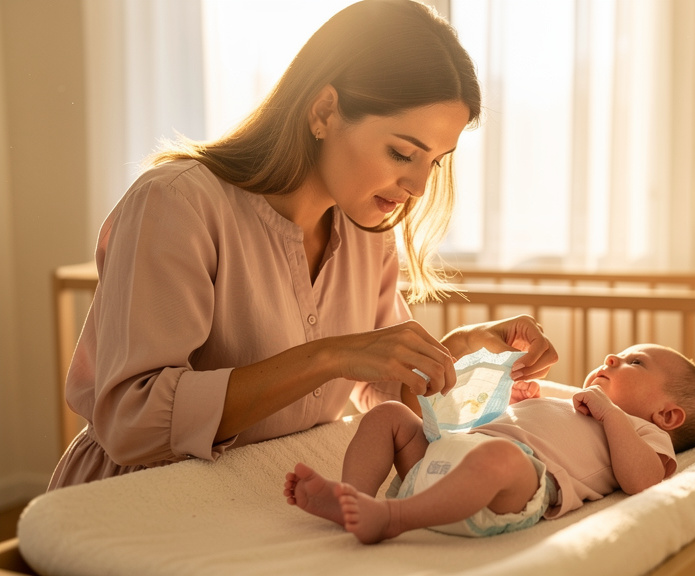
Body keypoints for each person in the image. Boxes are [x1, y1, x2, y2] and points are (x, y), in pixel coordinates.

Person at [48, 0, 557, 491]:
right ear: (324, 110)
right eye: (403, 152)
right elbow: (132, 422)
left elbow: (382, 386)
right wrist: (329, 356)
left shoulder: (366, 230)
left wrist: (461, 348)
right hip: (133, 499)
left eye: (436, 161)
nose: (419, 187)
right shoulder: (177, 203)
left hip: (257, 491)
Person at [283, 344, 695, 543]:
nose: (611, 358)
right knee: (388, 417)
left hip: (510, 488)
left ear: (667, 414)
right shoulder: (573, 401)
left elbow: (641, 480)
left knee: (500, 456)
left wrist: (608, 412)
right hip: (444, 461)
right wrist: (515, 402)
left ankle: (393, 517)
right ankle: (353, 499)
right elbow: (494, 423)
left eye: (634, 362)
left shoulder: (646, 432)